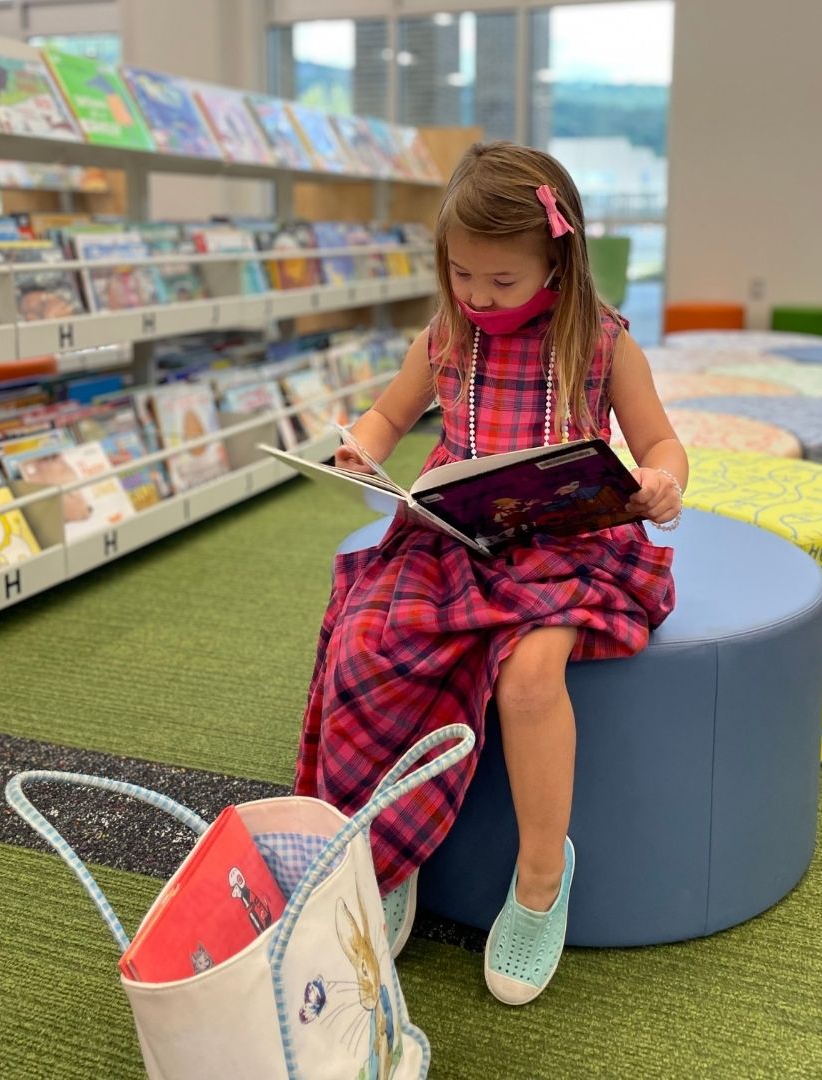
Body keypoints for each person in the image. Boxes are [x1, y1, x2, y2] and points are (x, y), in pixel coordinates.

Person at [294, 141, 687, 1006]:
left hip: (565, 539)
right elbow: (391, 412)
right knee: (366, 642)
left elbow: (659, 443)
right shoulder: (447, 333)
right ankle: (386, 851)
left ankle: (543, 874)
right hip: (453, 533)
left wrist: (661, 483)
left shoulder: (606, 342)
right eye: (462, 273)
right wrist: (362, 444)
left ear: (558, 256)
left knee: (532, 678)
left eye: (502, 282)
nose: (478, 296)